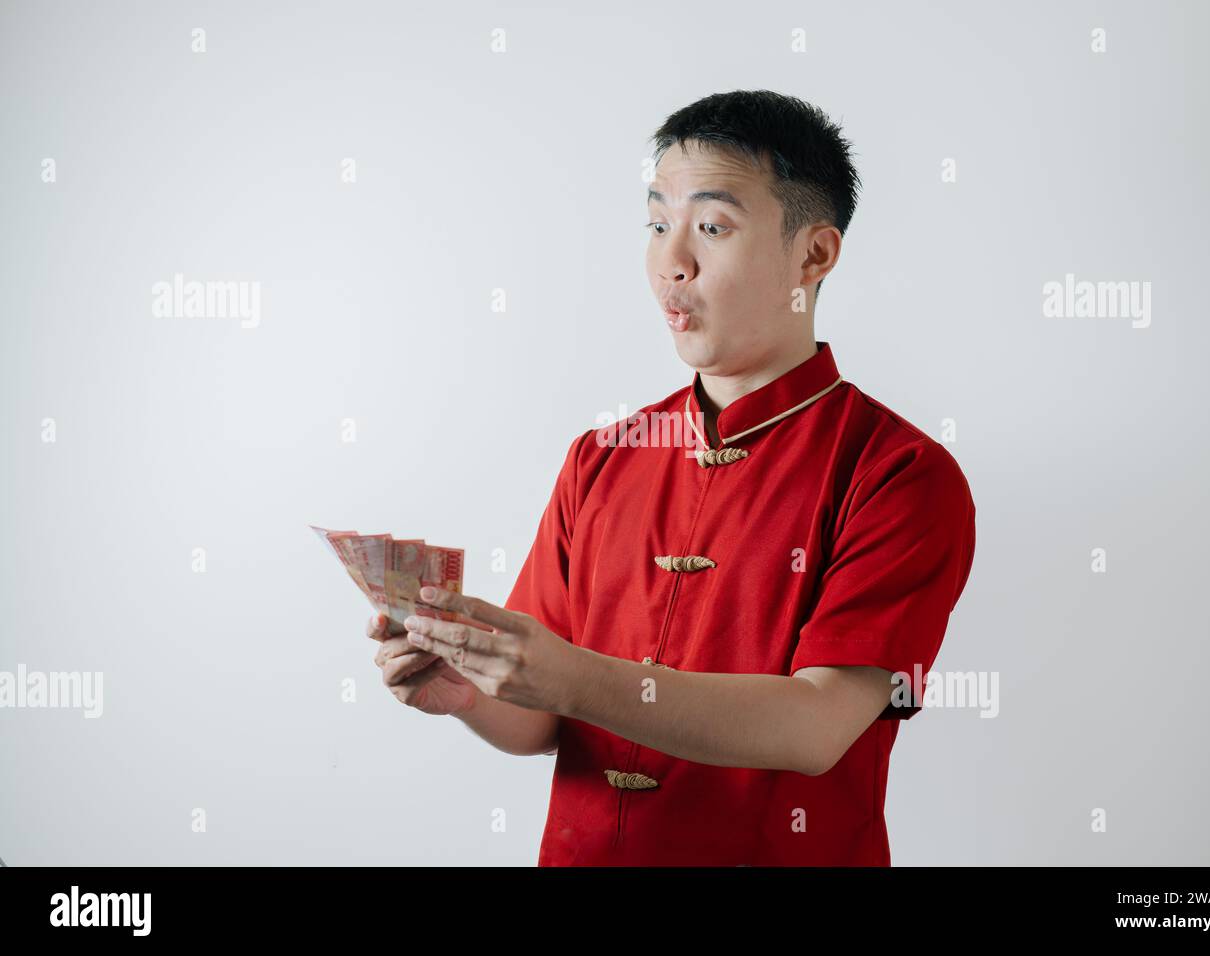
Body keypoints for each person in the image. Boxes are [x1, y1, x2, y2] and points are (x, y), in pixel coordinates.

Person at [367, 90, 976, 866]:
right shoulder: (602, 458)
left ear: (814, 255)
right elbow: (539, 720)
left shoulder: (901, 474)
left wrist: (571, 678)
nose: (671, 261)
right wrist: (467, 695)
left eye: (712, 228)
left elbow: (816, 727)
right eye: (657, 224)